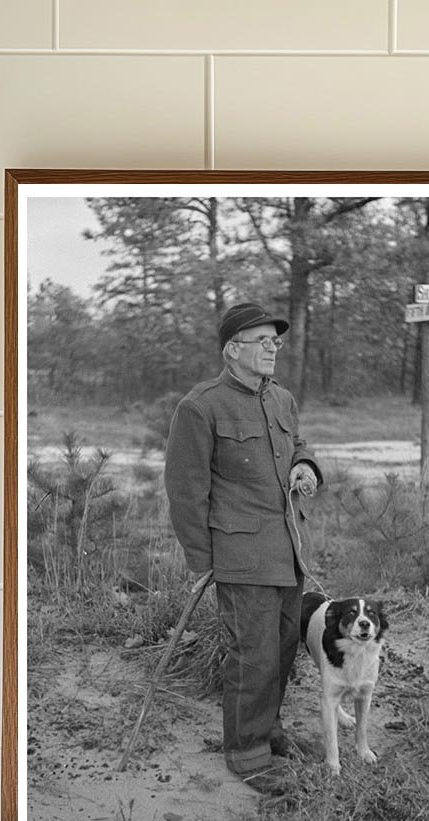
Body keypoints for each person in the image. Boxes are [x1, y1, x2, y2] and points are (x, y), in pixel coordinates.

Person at [164, 302, 323, 795]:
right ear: (233, 350)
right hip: (239, 558)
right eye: (262, 341)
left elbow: (297, 443)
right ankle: (246, 753)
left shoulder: (281, 399)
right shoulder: (201, 406)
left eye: (275, 340)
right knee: (252, 656)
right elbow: (185, 490)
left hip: (287, 549)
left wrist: (306, 467)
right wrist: (203, 561)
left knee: (281, 648)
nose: (273, 347)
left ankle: (268, 730)